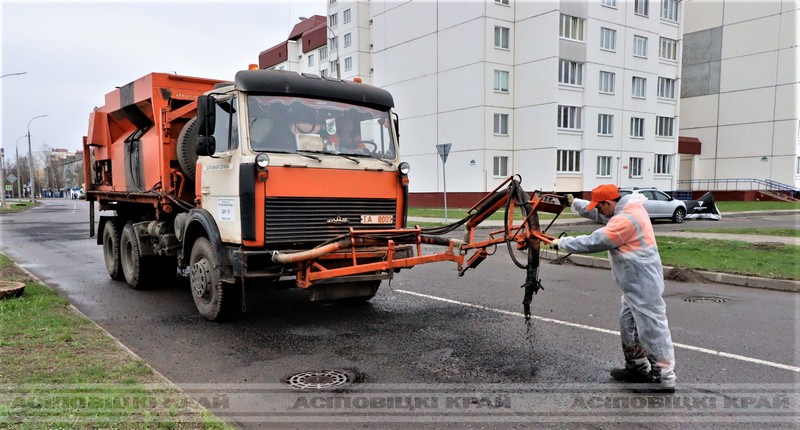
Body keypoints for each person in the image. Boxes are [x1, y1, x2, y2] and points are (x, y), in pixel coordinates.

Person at [550, 184, 676, 393]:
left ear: (609, 203)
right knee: (629, 325)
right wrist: (574, 203)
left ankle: (664, 377)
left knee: (652, 329)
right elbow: (600, 216)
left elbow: (596, 241)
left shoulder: (626, 220)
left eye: (599, 207)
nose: (598, 211)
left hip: (643, 283)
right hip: (633, 284)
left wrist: (560, 243)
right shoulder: (625, 209)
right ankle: (636, 367)